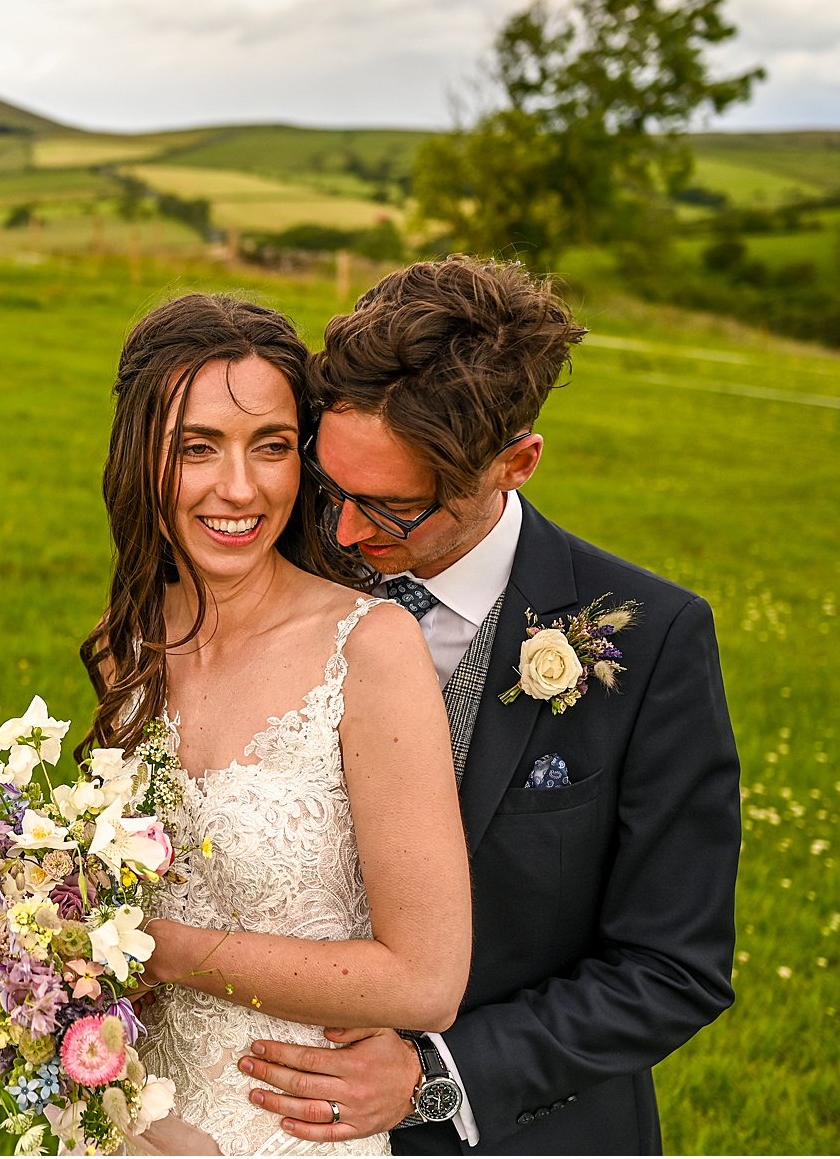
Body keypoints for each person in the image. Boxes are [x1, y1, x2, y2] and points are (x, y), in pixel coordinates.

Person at [236, 256, 739, 1154]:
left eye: (391, 509)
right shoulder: (280, 573)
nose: (344, 534)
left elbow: (672, 966)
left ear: (516, 462)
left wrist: (439, 1075)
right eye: (328, 485)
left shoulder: (653, 637)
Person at [77, 293, 473, 1155]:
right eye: (197, 448)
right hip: (127, 1118)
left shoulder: (369, 646)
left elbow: (427, 979)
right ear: (140, 455)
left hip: (288, 1131)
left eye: (273, 447)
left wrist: (163, 950)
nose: (240, 488)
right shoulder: (128, 646)